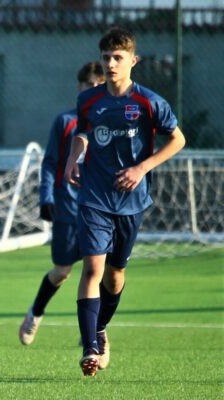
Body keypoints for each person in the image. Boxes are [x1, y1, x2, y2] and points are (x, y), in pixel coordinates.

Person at [64, 27, 186, 377]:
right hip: (94, 197)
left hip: (132, 201)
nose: (111, 63)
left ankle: (100, 328)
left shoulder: (149, 102)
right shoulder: (89, 100)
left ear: (133, 60)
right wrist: (76, 157)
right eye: (106, 58)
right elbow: (83, 132)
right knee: (92, 269)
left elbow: (177, 140)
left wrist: (142, 167)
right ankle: (89, 348)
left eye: (118, 58)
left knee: (115, 276)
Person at [19, 62, 105, 346]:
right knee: (63, 272)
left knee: (97, 271)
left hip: (100, 209)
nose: (92, 89)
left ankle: (92, 332)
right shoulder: (65, 121)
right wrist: (47, 197)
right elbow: (50, 163)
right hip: (68, 209)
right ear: (79, 88)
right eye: (87, 85)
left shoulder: (111, 121)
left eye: (97, 85)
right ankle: (35, 312)